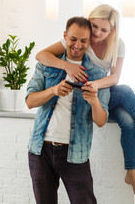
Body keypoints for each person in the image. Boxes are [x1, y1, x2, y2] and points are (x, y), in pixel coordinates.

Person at [35, 4, 135, 198]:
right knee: (127, 106)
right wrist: (67, 66)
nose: (98, 33)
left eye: (104, 30)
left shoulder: (118, 45)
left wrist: (96, 84)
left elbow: (114, 78)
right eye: (94, 26)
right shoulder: (81, 40)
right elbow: (41, 55)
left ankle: (133, 172)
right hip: (89, 96)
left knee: (126, 107)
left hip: (104, 92)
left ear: (112, 30)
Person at [26, 17, 110, 204]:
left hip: (75, 153)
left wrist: (94, 101)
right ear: (65, 36)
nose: (78, 45)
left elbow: (101, 120)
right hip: (40, 150)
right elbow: (30, 102)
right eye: (73, 39)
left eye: (83, 40)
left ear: (89, 42)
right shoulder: (47, 64)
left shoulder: (97, 74)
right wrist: (53, 90)